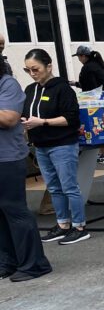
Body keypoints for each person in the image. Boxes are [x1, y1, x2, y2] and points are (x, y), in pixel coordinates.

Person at [21, 49, 90, 245]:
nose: (33, 74)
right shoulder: (30, 90)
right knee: (53, 187)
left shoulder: (62, 89)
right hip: (41, 145)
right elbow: (27, 112)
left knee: (69, 186)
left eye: (36, 69)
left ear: (48, 66)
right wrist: (26, 122)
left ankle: (79, 226)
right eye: (28, 70)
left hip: (62, 144)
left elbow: (71, 119)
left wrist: (42, 122)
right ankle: (63, 224)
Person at [0, 58, 51, 281]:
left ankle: (35, 264)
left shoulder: (7, 84)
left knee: (15, 210)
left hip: (7, 158)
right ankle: (8, 261)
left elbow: (9, 118)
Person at [74, 45, 104, 164]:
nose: (79, 59)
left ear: (83, 56)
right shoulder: (96, 64)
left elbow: (90, 88)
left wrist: (84, 98)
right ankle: (102, 153)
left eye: (79, 56)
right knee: (101, 127)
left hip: (100, 100)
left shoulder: (88, 68)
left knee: (101, 127)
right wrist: (76, 84)